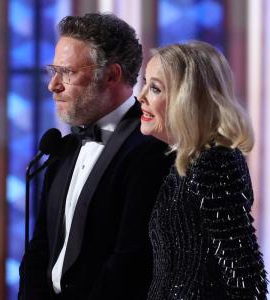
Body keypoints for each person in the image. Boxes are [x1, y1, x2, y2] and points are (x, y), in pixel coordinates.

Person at [18, 13, 173, 300]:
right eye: (53, 71)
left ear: (112, 75)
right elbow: (39, 247)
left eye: (67, 72)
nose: (53, 85)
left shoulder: (153, 145)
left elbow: (131, 264)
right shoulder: (63, 146)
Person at [138, 41, 268, 299]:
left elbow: (244, 273)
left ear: (186, 99)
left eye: (155, 88)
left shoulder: (214, 162)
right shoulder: (187, 163)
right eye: (145, 83)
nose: (140, 95)